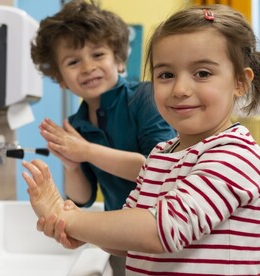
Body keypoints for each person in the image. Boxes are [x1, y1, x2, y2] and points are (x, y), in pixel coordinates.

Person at [22, 4, 260, 275]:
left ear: (240, 82)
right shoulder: (160, 155)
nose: (180, 89)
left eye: (202, 73)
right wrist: (78, 229)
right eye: (166, 75)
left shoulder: (235, 156)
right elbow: (128, 242)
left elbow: (160, 230)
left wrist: (73, 219)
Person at [31, 0, 176, 213]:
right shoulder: (76, 126)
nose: (88, 67)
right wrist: (72, 165)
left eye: (98, 55)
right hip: (120, 238)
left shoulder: (145, 97)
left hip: (163, 228)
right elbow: (83, 198)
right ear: (60, 78)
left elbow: (158, 169)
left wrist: (86, 151)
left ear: (118, 60)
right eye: (73, 62)